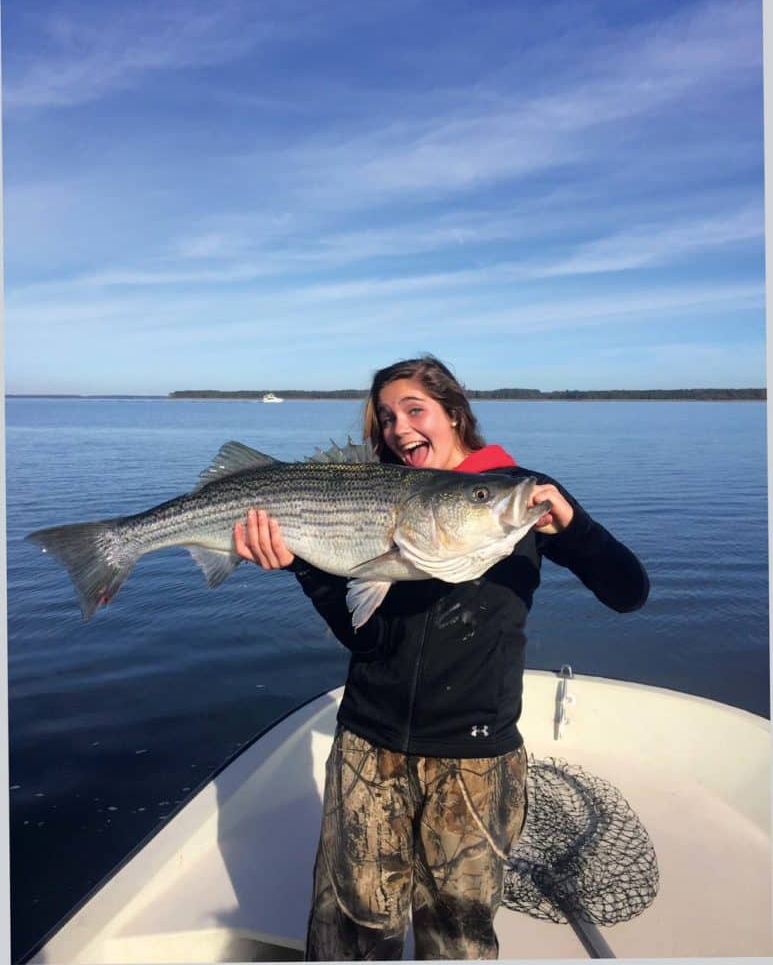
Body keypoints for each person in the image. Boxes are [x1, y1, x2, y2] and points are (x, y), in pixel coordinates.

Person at [233, 355, 649, 962]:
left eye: (414, 410)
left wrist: (576, 529)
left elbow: (628, 592)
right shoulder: (378, 497)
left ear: (454, 413)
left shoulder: (516, 494)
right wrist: (304, 562)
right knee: (349, 934)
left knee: (457, 941)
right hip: (368, 748)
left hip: (477, 759)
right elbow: (366, 641)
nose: (398, 428)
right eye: (385, 417)